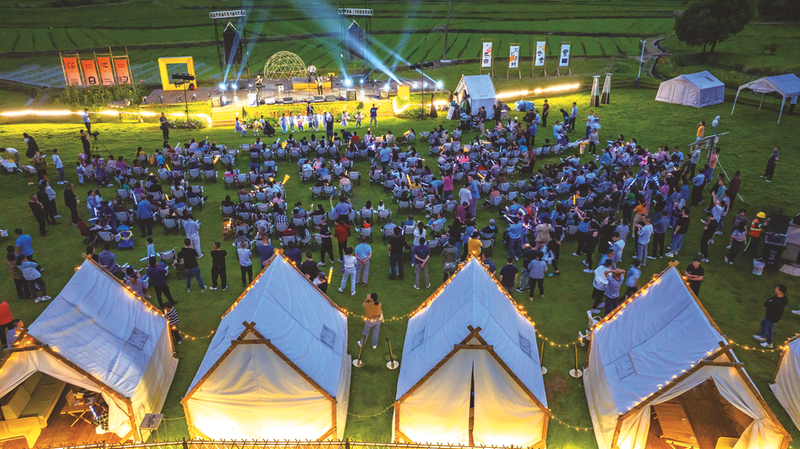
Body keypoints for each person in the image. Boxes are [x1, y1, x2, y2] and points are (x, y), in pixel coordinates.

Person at [753, 285, 788, 349]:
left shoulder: (778, 302)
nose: (775, 289)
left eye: (777, 289)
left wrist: (769, 302)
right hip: (769, 316)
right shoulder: (778, 298)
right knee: (763, 322)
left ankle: (769, 343)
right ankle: (762, 336)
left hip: (772, 318)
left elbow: (767, 304)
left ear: (780, 291)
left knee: (769, 330)